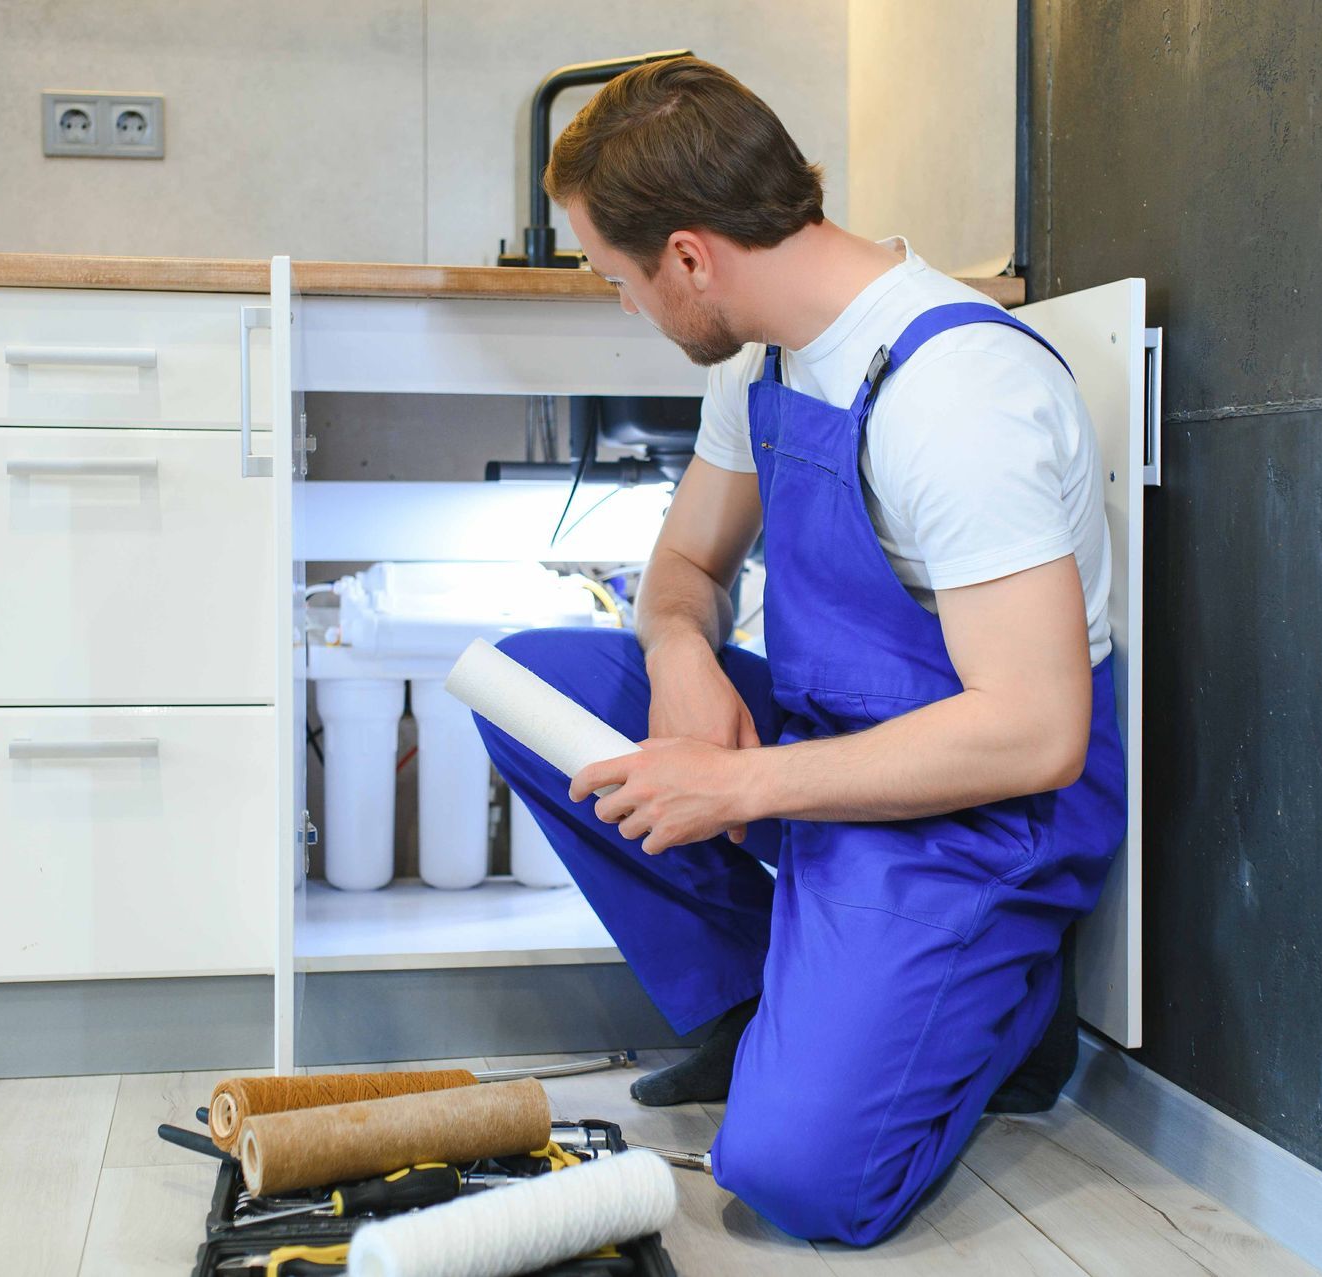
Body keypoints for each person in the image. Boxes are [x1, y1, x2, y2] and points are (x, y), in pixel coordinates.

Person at [475, 57, 1127, 1246]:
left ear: (688, 256)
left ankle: (1005, 1007)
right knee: (526, 682)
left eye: (619, 279)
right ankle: (761, 1001)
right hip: (832, 740)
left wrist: (739, 782)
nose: (622, 304)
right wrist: (681, 656)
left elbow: (1036, 727)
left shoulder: (956, 392)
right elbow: (683, 572)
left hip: (979, 804)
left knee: (793, 1180)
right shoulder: (764, 351)